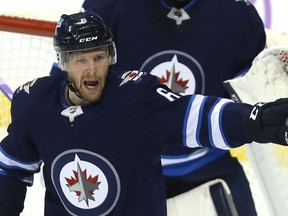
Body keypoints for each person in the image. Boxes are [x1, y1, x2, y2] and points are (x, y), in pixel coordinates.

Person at [1, 10, 286, 216]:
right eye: (80, 60)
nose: (91, 69)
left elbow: (195, 115)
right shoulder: (34, 102)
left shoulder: (135, 96)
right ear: (63, 62)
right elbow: (11, 169)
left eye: (99, 57)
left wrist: (255, 120)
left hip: (203, 171)